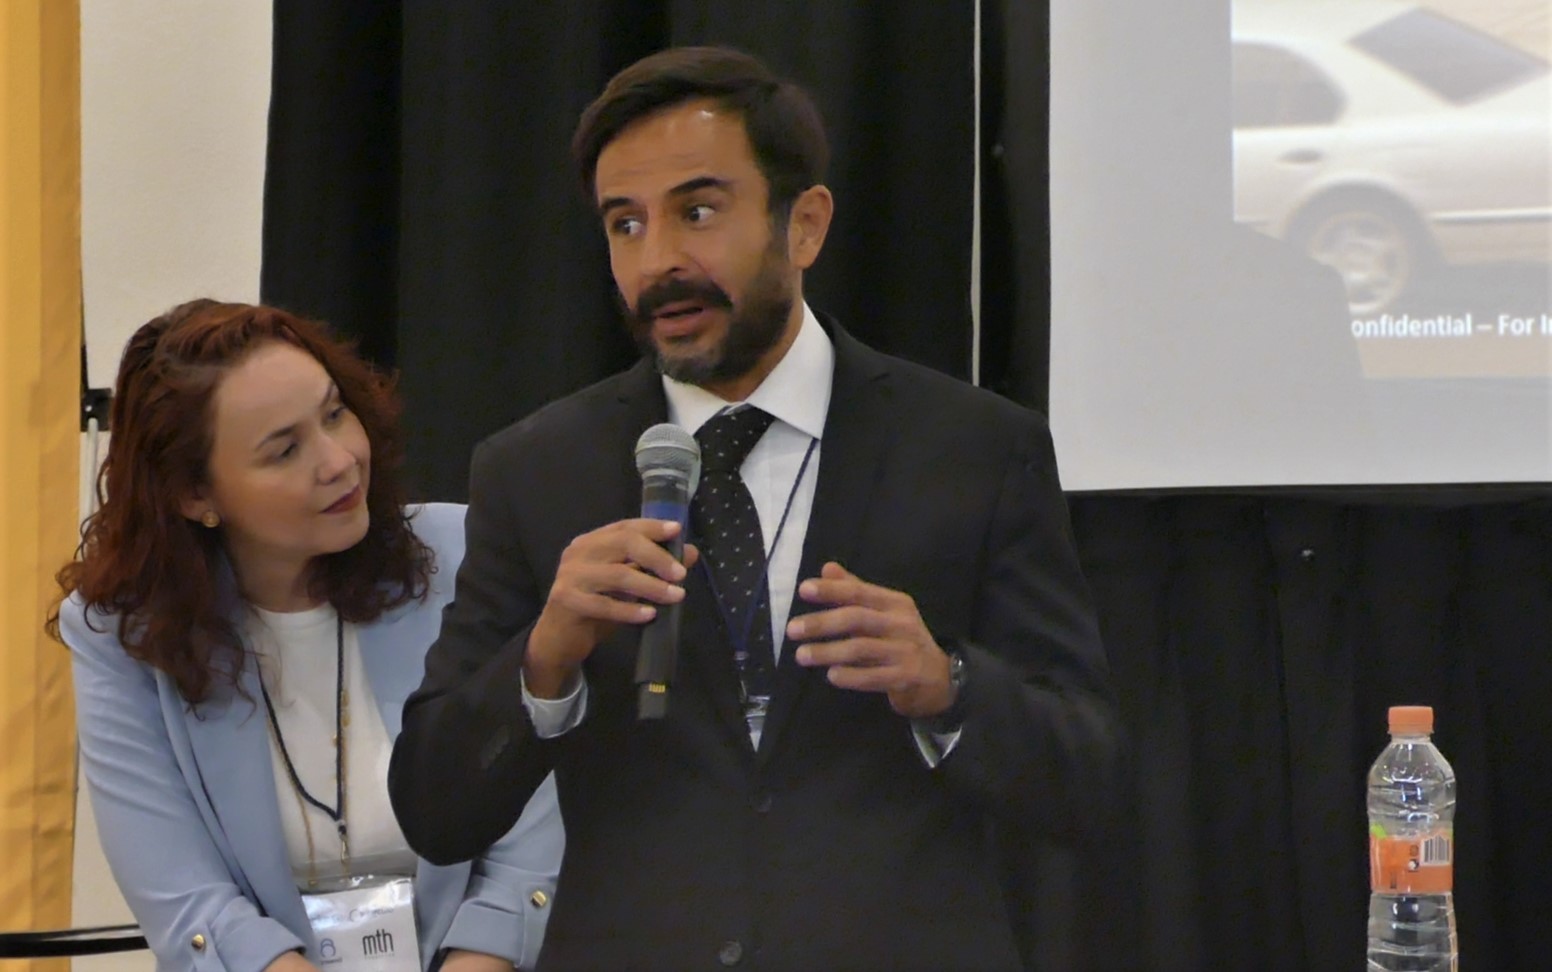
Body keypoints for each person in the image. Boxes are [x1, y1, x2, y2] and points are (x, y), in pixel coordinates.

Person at [389, 47, 1117, 971]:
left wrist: (948, 686)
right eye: (624, 224)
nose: (658, 261)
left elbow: (1088, 780)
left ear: (804, 225)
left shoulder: (974, 448)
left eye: (697, 212)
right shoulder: (535, 470)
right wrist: (542, 659)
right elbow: (437, 813)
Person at [49, 301, 564, 972]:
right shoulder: (124, 634)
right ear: (195, 495)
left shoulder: (466, 554)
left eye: (334, 414)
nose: (340, 461)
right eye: (285, 450)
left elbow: (532, 837)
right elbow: (186, 898)